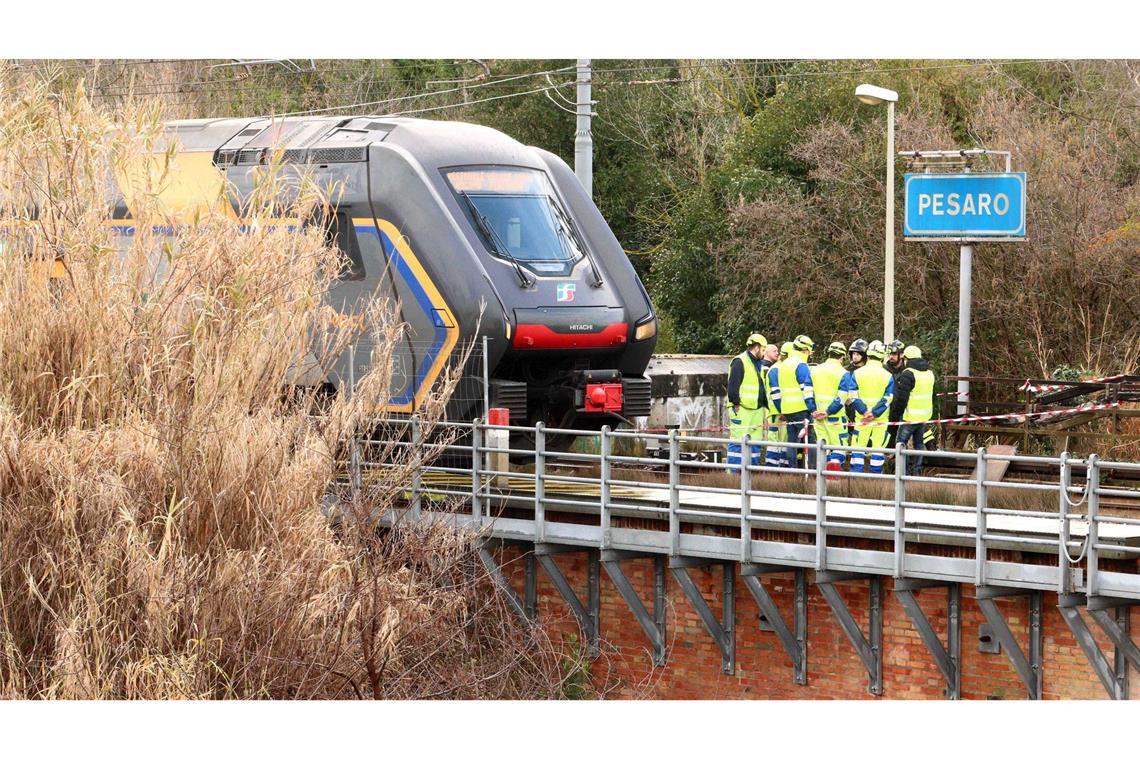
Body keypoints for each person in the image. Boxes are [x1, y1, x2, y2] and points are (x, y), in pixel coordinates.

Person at [769, 335, 817, 469]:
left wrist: (781, 409)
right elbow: (806, 389)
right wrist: (812, 408)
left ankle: (793, 470)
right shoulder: (800, 365)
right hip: (802, 409)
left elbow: (777, 392)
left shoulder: (783, 365)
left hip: (788, 410)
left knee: (792, 442)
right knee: (811, 441)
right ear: (805, 350)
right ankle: (812, 470)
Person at [848, 340, 895, 474]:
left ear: (867, 355)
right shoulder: (888, 376)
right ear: (882, 356)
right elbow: (888, 398)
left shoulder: (857, 373)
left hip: (862, 418)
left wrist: (864, 411)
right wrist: (874, 413)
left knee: (858, 448)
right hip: (880, 419)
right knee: (878, 449)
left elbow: (853, 396)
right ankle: (876, 480)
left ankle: (856, 476)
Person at [891, 345, 935, 476]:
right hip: (923, 417)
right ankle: (916, 472)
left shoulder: (908, 374)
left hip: (910, 417)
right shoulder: (929, 373)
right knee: (919, 445)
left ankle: (901, 473)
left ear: (906, 358)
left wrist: (895, 415)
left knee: (901, 445)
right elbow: (933, 396)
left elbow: (902, 399)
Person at [725, 333, 768, 472]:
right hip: (741, 409)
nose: (764, 352)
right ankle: (734, 474)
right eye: (763, 349)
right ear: (756, 348)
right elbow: (733, 385)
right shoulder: (739, 361)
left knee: (754, 444)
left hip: (756, 409)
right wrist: (736, 403)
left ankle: (751, 473)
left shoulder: (758, 364)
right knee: (738, 443)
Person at [810, 341, 850, 471]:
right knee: (839, 447)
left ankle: (822, 478)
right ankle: (834, 481)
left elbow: (807, 392)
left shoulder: (814, 370)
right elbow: (841, 398)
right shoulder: (843, 373)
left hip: (817, 417)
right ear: (842, 356)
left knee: (823, 447)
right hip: (836, 418)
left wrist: (813, 410)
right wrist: (828, 412)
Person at [763, 343, 789, 467]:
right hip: (776, 412)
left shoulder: (780, 368)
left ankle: (781, 469)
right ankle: (771, 469)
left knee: (782, 442)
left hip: (780, 412)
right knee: (774, 442)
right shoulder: (775, 370)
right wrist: (783, 410)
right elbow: (776, 394)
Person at [883, 339, 906, 448]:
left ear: (901, 355)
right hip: (886, 412)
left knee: (900, 445)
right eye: (889, 354)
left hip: (902, 413)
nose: (891, 357)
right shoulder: (884, 370)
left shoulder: (907, 372)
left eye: (894, 354)